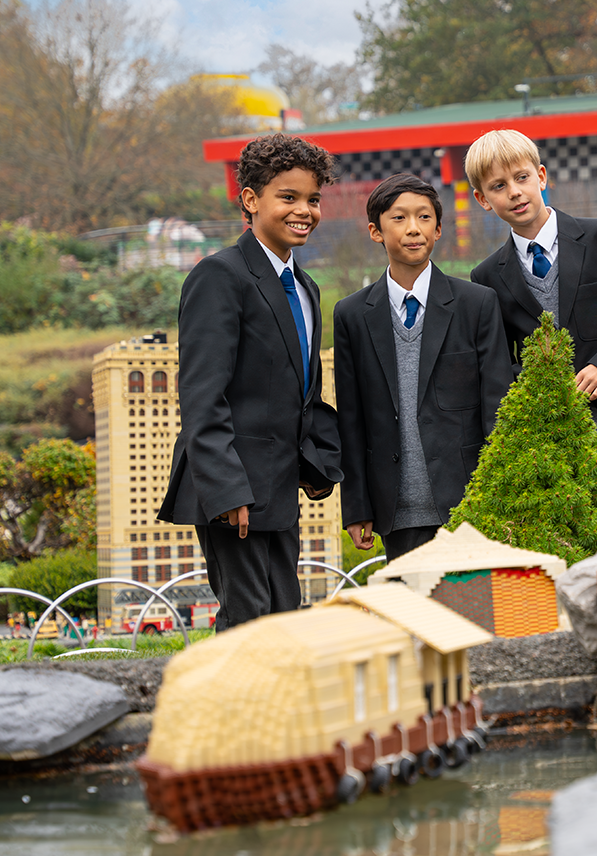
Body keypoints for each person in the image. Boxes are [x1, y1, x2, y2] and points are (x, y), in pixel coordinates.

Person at [158, 133, 342, 631]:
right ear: (251, 200)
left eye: (312, 199)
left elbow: (301, 389)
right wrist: (227, 491)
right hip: (234, 488)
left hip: (279, 483)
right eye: (288, 197)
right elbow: (202, 395)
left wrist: (315, 461)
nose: (304, 210)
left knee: (284, 613)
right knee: (248, 621)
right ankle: (228, 709)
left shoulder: (305, 286)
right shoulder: (220, 275)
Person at [466, 130, 597, 507]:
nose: (515, 192)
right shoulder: (487, 276)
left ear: (542, 177)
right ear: (483, 200)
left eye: (522, 178)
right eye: (499, 186)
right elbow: (498, 364)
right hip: (544, 444)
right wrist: (542, 385)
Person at [334, 173, 512, 561]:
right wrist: (357, 506)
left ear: (439, 229)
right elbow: (351, 418)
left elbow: (497, 406)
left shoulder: (477, 304)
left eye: (424, 217)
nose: (413, 229)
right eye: (399, 218)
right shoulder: (351, 314)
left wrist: (497, 494)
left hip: (470, 503)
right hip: (397, 508)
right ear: (375, 231)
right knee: (415, 618)